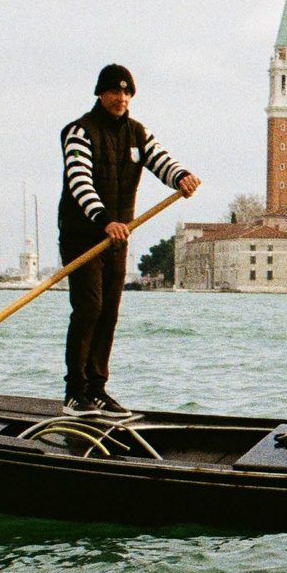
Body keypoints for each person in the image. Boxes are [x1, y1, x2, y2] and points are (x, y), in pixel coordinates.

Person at [60, 63, 199, 413]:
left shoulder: (137, 134)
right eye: (115, 92)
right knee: (89, 307)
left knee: (109, 310)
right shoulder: (78, 132)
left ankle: (97, 389)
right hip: (84, 235)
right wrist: (105, 220)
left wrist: (180, 176)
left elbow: (161, 161)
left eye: (127, 92)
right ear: (100, 93)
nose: (122, 98)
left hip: (118, 237)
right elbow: (80, 183)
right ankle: (75, 391)